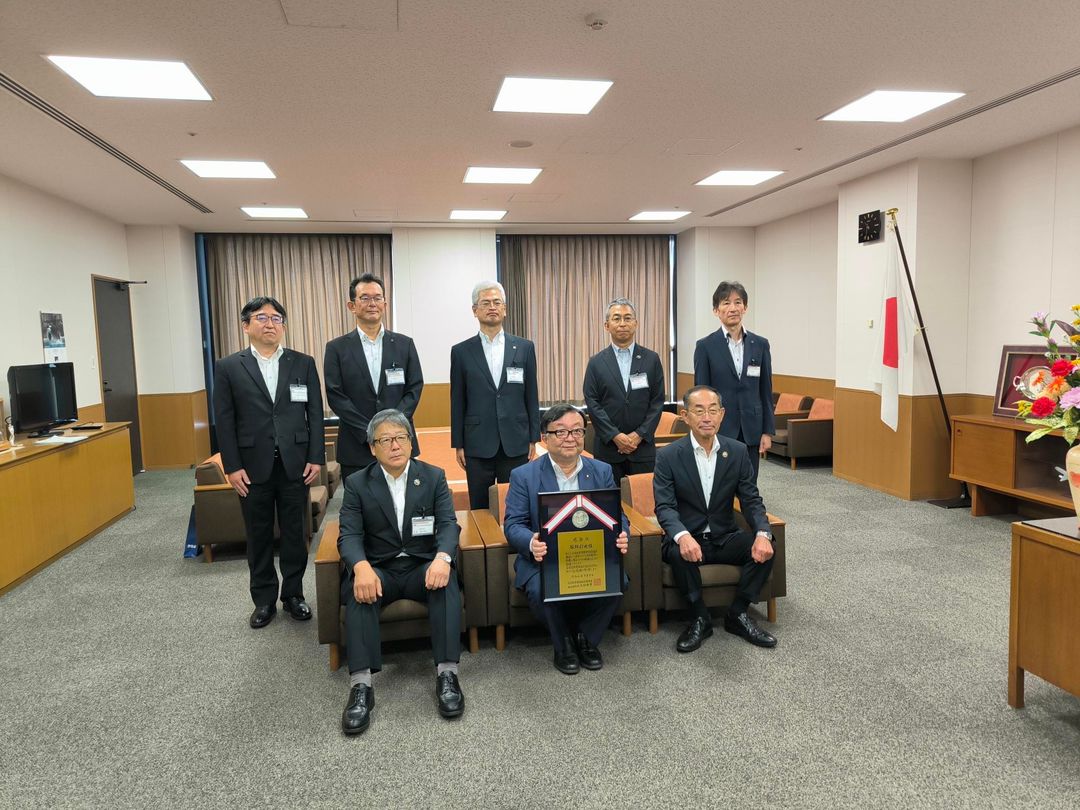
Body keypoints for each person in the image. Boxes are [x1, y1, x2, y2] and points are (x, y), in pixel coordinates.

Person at [337, 409, 465, 735]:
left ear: (410, 442)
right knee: (359, 589)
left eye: (400, 437)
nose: (394, 446)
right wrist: (361, 567)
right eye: (385, 440)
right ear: (372, 448)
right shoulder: (357, 483)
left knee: (446, 582)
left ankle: (447, 675)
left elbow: (448, 524)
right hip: (380, 567)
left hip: (422, 565)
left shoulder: (433, 477)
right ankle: (361, 686)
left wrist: (442, 558)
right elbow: (349, 535)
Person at [213, 296, 324, 628]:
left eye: (277, 318)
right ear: (246, 326)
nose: (270, 324)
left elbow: (315, 414)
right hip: (251, 467)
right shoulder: (229, 367)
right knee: (258, 535)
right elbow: (224, 421)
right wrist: (232, 466)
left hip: (295, 464)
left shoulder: (302, 363)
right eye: (262, 318)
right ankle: (263, 600)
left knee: (295, 534)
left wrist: (315, 456)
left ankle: (293, 595)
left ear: (283, 327)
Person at [502, 404, 629, 674]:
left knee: (620, 580)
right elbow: (513, 524)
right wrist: (531, 542)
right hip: (544, 559)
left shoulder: (602, 470)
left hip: (590, 555)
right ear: (544, 438)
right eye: (560, 432)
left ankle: (586, 638)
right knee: (540, 589)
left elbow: (617, 515)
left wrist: (623, 534)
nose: (570, 438)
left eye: (577, 431)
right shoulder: (524, 476)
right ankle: (563, 645)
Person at [652, 385, 777, 653]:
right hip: (689, 536)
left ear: (722, 414)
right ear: (685, 416)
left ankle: (738, 613)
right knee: (676, 553)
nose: (707, 417)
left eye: (712, 410)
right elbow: (664, 507)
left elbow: (751, 499)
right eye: (699, 411)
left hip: (724, 535)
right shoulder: (668, 456)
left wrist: (762, 533)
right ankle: (700, 618)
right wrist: (682, 536)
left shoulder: (737, 451)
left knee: (767, 547)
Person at [324, 274, 424, 481]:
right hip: (356, 445)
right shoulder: (336, 348)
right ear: (352, 306)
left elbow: (414, 388)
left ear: (385, 304)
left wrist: (392, 428)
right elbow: (336, 395)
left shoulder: (404, 344)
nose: (372, 303)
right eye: (365, 298)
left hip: (399, 443)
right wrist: (369, 432)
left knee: (402, 499)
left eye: (377, 298)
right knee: (361, 500)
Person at [450, 280, 539, 509]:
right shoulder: (461, 352)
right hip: (477, 442)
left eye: (497, 302)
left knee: (517, 503)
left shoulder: (525, 347)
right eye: (486, 303)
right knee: (480, 505)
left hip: (516, 440)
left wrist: (534, 437)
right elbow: (457, 400)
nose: (492, 307)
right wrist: (458, 443)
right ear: (475, 310)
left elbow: (531, 394)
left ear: (505, 309)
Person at [693, 280, 774, 481]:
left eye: (738, 302)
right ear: (716, 310)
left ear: (745, 308)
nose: (733, 308)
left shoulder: (760, 344)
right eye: (726, 303)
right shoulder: (705, 346)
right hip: (720, 428)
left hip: (752, 428)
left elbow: (765, 391)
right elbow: (701, 395)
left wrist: (767, 431)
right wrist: (703, 430)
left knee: (749, 483)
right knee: (721, 484)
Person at [582, 297, 666, 483]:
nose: (622, 323)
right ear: (607, 325)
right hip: (608, 449)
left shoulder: (651, 359)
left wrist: (639, 435)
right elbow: (592, 402)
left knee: (642, 497)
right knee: (608, 498)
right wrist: (615, 435)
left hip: (642, 448)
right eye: (616, 318)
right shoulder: (596, 362)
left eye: (628, 318)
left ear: (636, 324)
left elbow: (657, 401)